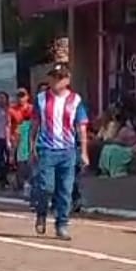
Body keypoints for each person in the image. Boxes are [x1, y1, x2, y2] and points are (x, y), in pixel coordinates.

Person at [30, 63, 89, 240]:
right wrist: (32, 145)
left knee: (65, 189)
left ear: (67, 80)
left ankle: (62, 224)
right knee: (45, 186)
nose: (56, 81)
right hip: (47, 149)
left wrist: (84, 151)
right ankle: (41, 212)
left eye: (60, 77)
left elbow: (81, 127)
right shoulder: (41, 99)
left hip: (67, 151)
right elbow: (34, 125)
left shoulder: (75, 100)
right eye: (53, 77)